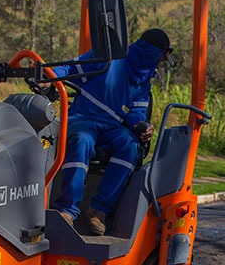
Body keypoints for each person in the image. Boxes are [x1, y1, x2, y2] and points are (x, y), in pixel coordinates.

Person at [52, 28, 170, 235]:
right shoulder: (107, 58)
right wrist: (50, 78)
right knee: (81, 141)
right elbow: (68, 70)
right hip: (83, 118)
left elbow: (136, 112)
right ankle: (67, 210)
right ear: (151, 53)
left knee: (130, 147)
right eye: (160, 57)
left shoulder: (142, 82)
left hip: (112, 126)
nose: (158, 63)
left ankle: (98, 212)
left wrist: (142, 126)